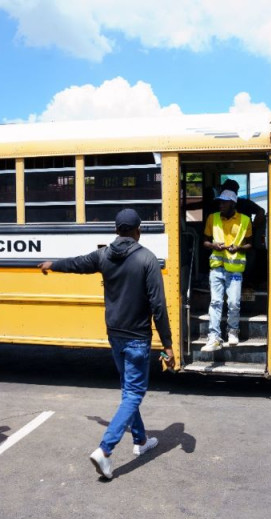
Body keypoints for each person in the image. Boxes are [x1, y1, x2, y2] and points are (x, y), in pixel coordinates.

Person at [38, 208, 175, 480]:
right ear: (138, 231)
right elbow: (158, 306)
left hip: (115, 334)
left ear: (116, 230)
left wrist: (52, 264)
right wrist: (168, 345)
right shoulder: (147, 259)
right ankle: (105, 450)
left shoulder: (104, 255)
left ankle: (140, 440)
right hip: (137, 337)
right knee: (135, 393)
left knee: (128, 390)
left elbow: (77, 264)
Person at [201, 189, 253, 352]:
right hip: (217, 268)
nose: (221, 204)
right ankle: (214, 337)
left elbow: (250, 244)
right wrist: (213, 245)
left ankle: (232, 331)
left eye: (224, 202)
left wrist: (239, 247)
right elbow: (205, 242)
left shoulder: (244, 220)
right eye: (220, 202)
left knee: (233, 303)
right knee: (216, 302)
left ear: (233, 203)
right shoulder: (213, 217)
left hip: (235, 269)